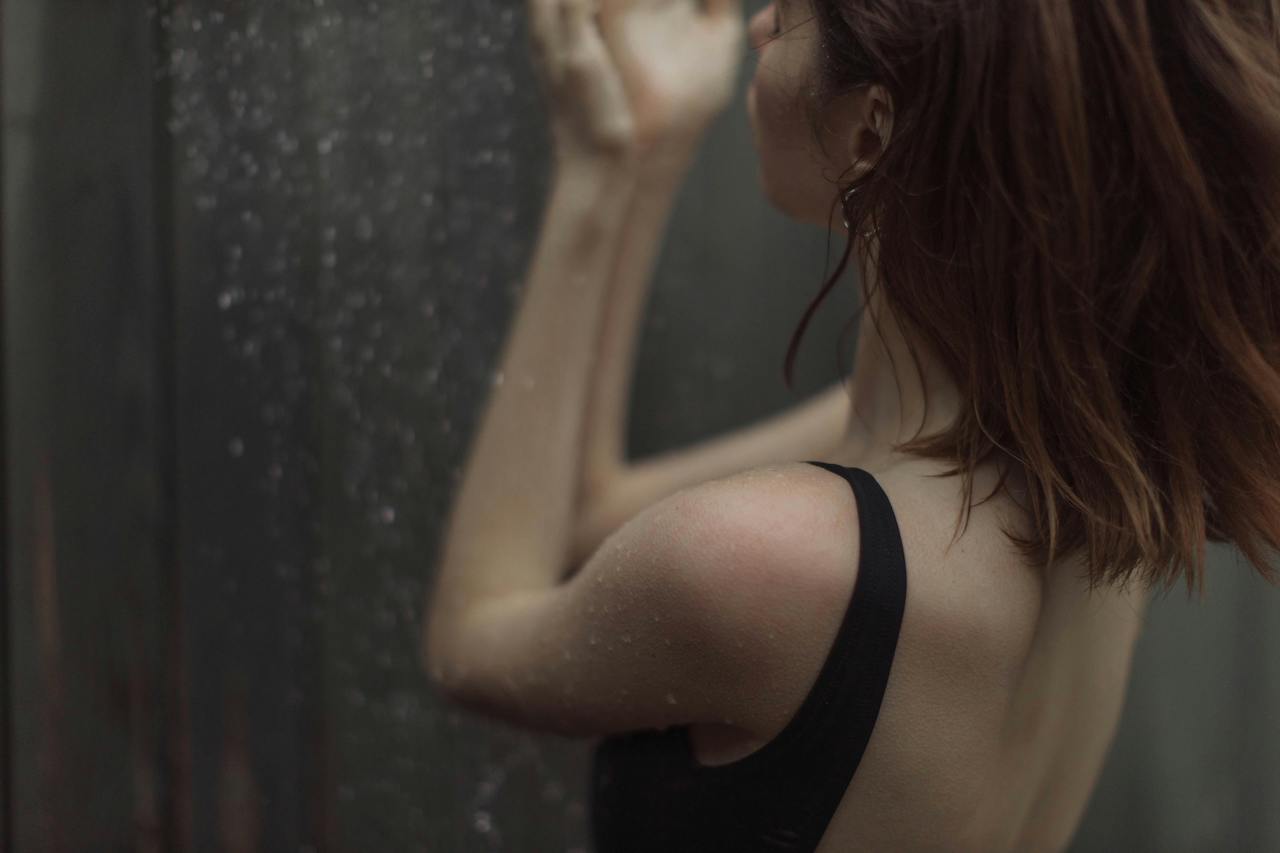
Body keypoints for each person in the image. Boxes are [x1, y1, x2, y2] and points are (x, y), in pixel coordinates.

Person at [422, 0, 1280, 850]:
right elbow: (585, 516)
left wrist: (591, 168)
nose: (757, 28)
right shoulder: (1074, 480)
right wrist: (649, 142)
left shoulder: (785, 562)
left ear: (873, 132)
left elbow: (473, 635)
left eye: (789, 15)